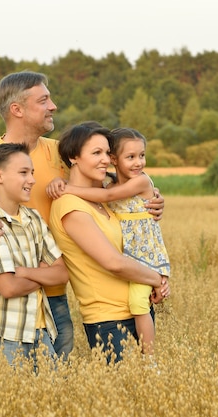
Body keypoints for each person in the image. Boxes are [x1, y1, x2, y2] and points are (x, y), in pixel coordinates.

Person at [0, 71, 166, 360]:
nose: (53, 106)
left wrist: (152, 198)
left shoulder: (61, 154)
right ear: (17, 109)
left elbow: (110, 191)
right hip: (3, 291)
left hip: (55, 290)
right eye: (44, 99)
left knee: (55, 377)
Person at [48, 123, 170, 363]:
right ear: (74, 157)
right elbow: (113, 262)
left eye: (107, 153)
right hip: (109, 320)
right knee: (125, 395)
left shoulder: (104, 198)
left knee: (146, 392)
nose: (105, 160)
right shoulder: (70, 205)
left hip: (137, 308)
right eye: (96, 153)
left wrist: (155, 201)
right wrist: (157, 279)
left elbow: (132, 215)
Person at [0, 142, 69, 370]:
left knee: (52, 400)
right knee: (6, 404)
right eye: (24, 172)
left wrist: (22, 272)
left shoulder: (33, 218)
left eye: (32, 172)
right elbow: (9, 289)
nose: (32, 180)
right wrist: (43, 272)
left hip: (41, 331)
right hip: (3, 334)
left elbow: (63, 274)